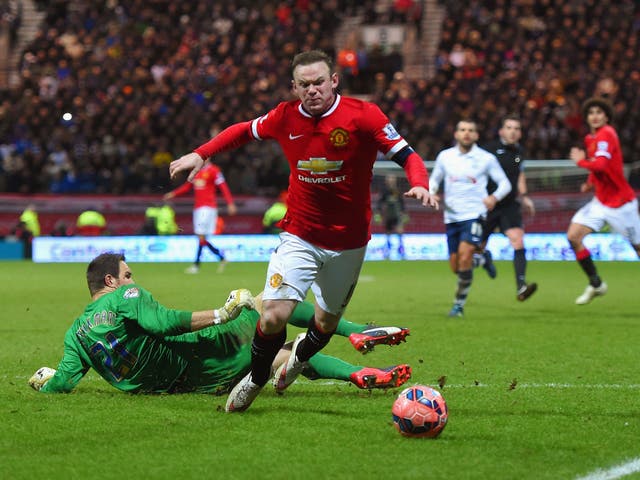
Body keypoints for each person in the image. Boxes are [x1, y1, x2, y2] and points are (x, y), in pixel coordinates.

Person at [168, 49, 437, 413]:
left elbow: (407, 155)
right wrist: (201, 154)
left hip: (349, 242)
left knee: (325, 324)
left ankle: (295, 361)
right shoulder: (284, 116)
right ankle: (257, 378)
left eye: (319, 82)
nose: (312, 90)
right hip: (300, 235)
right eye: (304, 84)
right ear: (294, 87)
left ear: (334, 81)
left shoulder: (363, 116)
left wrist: (419, 182)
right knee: (273, 314)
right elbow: (241, 131)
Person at [28, 253, 412, 395]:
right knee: (271, 306)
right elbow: (163, 324)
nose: (132, 280)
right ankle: (354, 330)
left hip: (193, 384)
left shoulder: (75, 333)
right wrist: (221, 314)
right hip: (202, 349)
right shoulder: (124, 296)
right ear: (110, 282)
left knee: (281, 358)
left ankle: (361, 374)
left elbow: (63, 381)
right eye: (127, 275)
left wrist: (45, 382)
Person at [429, 119, 512, 318]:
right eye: (463, 130)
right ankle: (482, 259)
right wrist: (431, 192)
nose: (466, 133)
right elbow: (434, 179)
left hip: (475, 214)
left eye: (471, 130)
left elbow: (505, 184)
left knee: (465, 257)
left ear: (476, 135)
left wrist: (494, 197)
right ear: (456, 134)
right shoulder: (445, 156)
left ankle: (458, 305)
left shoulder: (486, 158)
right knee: (456, 266)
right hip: (451, 216)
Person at [567, 97, 640, 305]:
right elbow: (598, 168)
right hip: (600, 203)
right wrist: (590, 183)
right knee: (573, 237)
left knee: (638, 249)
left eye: (599, 112)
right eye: (591, 113)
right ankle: (596, 284)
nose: (595, 116)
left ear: (607, 117)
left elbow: (599, 164)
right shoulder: (591, 138)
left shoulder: (606, 134)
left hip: (621, 204)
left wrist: (580, 162)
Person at [480, 115, 538, 302]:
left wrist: (525, 196)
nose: (513, 131)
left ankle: (521, 286)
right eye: (509, 127)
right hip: (488, 205)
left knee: (517, 240)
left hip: (509, 206)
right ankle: (484, 257)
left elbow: (519, 175)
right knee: (476, 249)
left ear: (520, 133)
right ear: (501, 131)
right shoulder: (487, 150)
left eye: (516, 128)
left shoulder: (520, 151)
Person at [164, 159, 237, 274]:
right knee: (201, 237)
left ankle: (197, 265)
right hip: (198, 208)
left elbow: (223, 187)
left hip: (208, 208)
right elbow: (187, 187)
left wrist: (230, 203)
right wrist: (173, 194)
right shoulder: (196, 171)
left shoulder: (214, 170)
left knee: (201, 236)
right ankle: (221, 257)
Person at [374, 175, 408, 260]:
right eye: (389, 180)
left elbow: (402, 204)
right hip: (388, 216)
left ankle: (401, 251)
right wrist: (378, 214)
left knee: (400, 232)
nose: (391, 181)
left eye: (392, 179)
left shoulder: (398, 191)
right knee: (388, 235)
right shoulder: (385, 192)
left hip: (397, 216)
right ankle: (388, 252)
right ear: (386, 181)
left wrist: (404, 214)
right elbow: (379, 203)